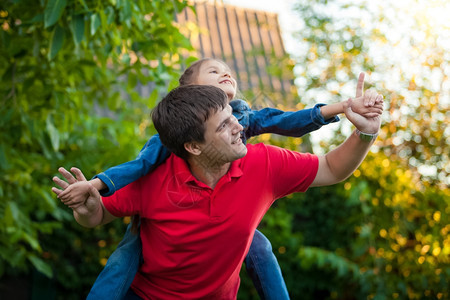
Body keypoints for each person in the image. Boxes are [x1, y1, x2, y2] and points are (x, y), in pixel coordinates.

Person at [56, 58, 383, 299]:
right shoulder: (155, 172)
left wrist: (365, 131)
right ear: (193, 146)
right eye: (224, 125)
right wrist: (89, 205)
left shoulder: (263, 163)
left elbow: (330, 167)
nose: (240, 127)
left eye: (233, 118)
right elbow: (97, 214)